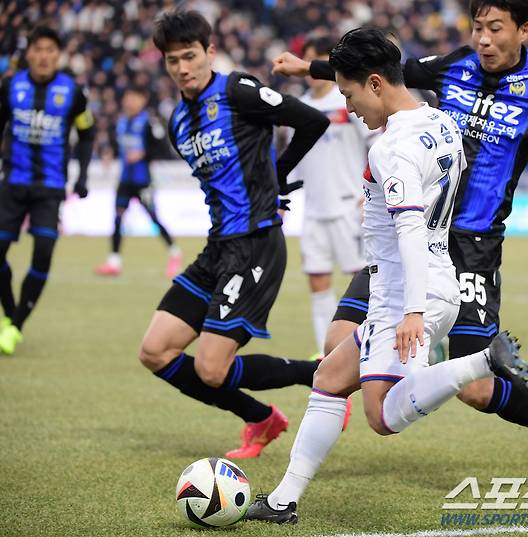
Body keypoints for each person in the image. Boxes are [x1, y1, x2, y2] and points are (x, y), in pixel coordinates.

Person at [268, 0, 528, 485]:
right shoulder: (454, 67)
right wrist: (310, 67)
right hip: (411, 234)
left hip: (473, 243)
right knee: (335, 345)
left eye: (496, 28)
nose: (484, 39)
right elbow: (386, 73)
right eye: (478, 27)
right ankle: (402, 368)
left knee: (475, 391)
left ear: (525, 31)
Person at [246, 27, 528, 524]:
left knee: (381, 418)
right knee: (329, 378)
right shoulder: (440, 121)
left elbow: (408, 227)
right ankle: (282, 501)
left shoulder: (391, 148)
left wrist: (411, 312)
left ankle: (482, 361)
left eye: (350, 93)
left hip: (404, 291)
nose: (351, 106)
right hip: (436, 275)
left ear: (376, 82)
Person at [138, 9, 330, 459]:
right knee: (155, 350)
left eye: (190, 56)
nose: (182, 68)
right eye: (172, 61)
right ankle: (261, 418)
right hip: (217, 247)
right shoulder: (178, 122)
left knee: (210, 367)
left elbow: (311, 121)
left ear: (210, 51)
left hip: (256, 243)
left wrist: (278, 175)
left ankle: (319, 373)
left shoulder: (237, 90)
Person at [0, 26, 94, 355]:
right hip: (11, 184)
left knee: (42, 253)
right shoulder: (11, 86)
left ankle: (14, 326)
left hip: (50, 189)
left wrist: (82, 175)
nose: (44, 56)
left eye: (50, 50)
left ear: (58, 55)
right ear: (29, 54)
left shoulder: (73, 92)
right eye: (38, 49)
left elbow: (86, 134)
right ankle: (11, 315)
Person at [289, 35, 373, 355]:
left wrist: (370, 189)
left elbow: (375, 143)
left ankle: (366, 346)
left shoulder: (348, 103)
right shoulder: (299, 109)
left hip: (348, 206)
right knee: (317, 281)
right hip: (313, 209)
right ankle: (326, 352)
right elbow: (295, 159)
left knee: (361, 282)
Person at [95, 87, 182, 278]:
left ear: (142, 100)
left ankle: (175, 252)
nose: (129, 102)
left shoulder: (149, 123)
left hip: (143, 181)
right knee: (117, 218)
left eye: (134, 98)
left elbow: (162, 149)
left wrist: (143, 154)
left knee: (154, 218)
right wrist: (108, 153)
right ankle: (114, 261)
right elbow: (114, 142)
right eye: (127, 98)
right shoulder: (122, 121)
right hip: (125, 180)